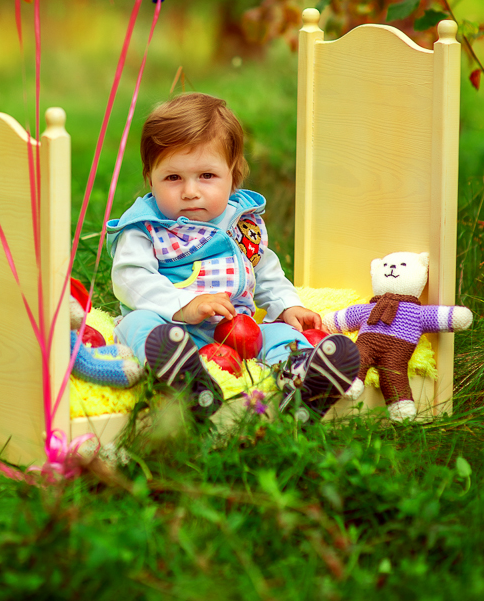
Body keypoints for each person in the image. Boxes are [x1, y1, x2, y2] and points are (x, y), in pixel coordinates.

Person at [107, 93, 360, 421]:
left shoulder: (239, 221)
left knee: (279, 333)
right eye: (172, 178)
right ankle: (185, 377)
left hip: (236, 327)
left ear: (233, 177)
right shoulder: (146, 226)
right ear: (150, 178)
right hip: (170, 325)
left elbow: (263, 266)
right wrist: (183, 306)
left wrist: (287, 305)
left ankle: (302, 377)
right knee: (136, 326)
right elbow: (130, 278)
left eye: (207, 176)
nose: (190, 191)